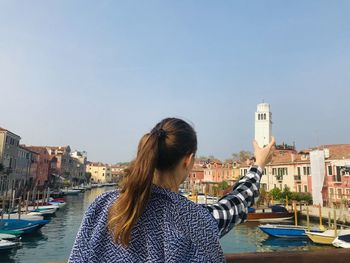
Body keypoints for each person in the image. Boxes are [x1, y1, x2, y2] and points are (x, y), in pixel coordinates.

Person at [68, 117, 275, 263]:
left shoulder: (100, 207)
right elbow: (236, 204)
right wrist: (258, 165)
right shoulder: (195, 220)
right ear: (188, 160)